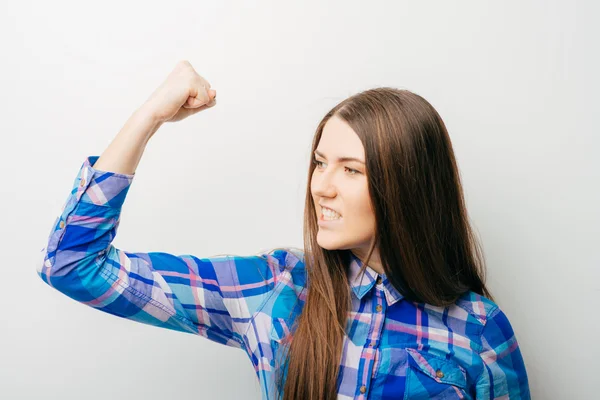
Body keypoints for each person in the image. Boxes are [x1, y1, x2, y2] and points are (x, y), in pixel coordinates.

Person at [37, 60, 530, 400]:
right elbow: (73, 265)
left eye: (351, 170)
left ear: (408, 186)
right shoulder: (277, 288)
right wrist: (150, 116)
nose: (322, 187)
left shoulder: (479, 329)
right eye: (319, 163)